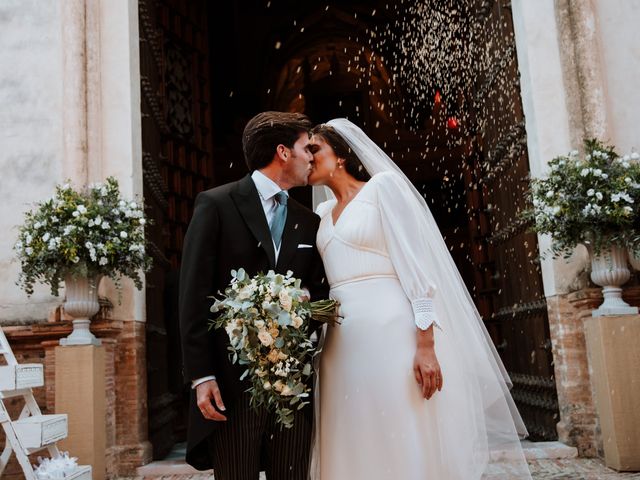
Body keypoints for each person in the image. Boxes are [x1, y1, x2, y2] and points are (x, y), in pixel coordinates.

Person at [307, 119, 532, 479]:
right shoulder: (319, 215)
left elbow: (416, 267)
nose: (307, 157)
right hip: (341, 339)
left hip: (390, 328)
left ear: (342, 156)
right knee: (351, 423)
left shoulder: (382, 189)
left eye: (315, 149)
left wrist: (426, 342)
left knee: (400, 419)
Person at [179, 111, 328, 479]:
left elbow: (321, 294)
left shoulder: (308, 221)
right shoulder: (216, 204)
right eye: (305, 148)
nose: (312, 156)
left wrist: (303, 302)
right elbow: (193, 294)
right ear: (282, 152)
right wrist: (201, 377)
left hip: (293, 386)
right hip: (232, 386)